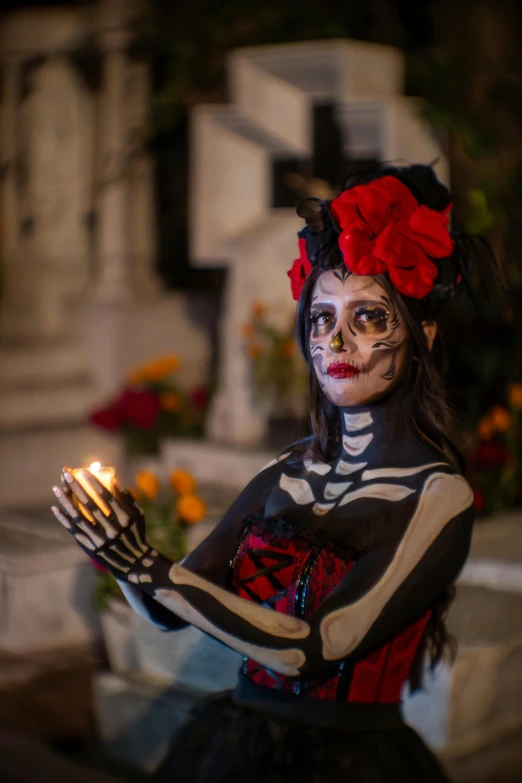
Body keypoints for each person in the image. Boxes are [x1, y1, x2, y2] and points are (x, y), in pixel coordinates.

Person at [52, 164, 483, 782]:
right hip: (240, 741)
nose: (335, 342)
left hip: (349, 761)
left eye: (368, 318)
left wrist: (144, 565)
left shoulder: (439, 496)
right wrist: (119, 556)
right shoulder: (288, 469)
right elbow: (169, 609)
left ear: (424, 336)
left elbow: (312, 649)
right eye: (321, 318)